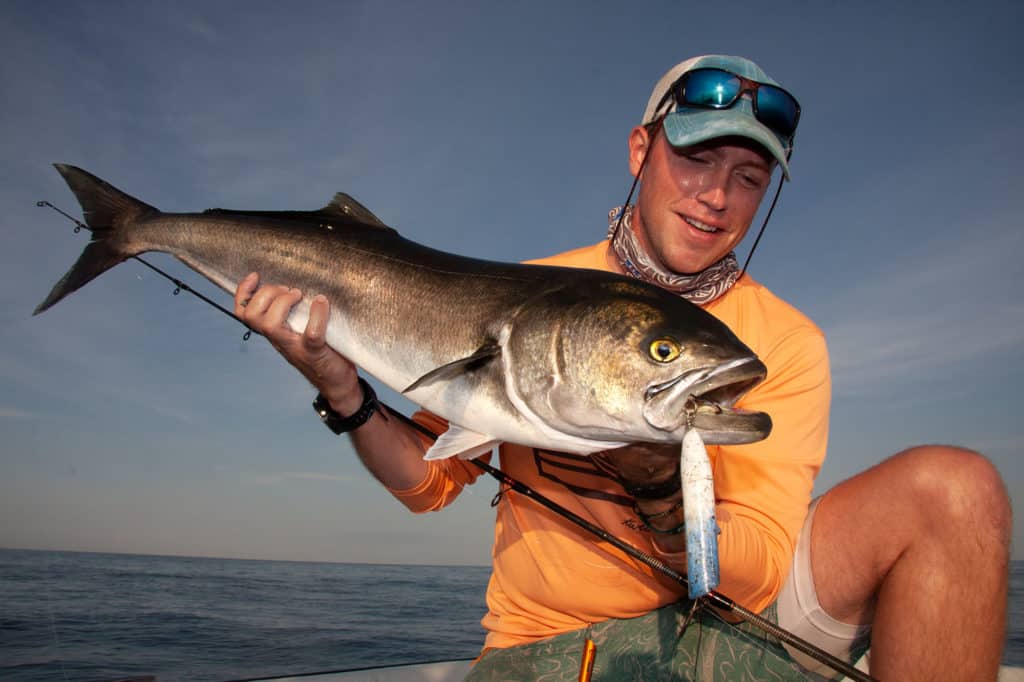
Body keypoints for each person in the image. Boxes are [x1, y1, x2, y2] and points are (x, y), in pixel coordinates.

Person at [234, 55, 1010, 680]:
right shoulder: (531, 289)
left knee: (956, 489)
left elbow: (760, 573)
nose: (717, 198)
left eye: (749, 177)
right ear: (642, 151)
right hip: (549, 634)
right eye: (698, 158)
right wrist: (340, 388)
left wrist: (657, 478)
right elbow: (428, 485)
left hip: (738, 615)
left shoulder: (783, 342)